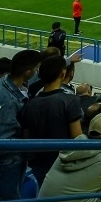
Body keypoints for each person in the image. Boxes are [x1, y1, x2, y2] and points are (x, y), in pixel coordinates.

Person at [0, 49, 44, 202]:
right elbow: (4, 136)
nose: (38, 71)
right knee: (9, 200)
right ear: (27, 72)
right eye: (37, 68)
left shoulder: (1, 84)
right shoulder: (10, 101)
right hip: (8, 157)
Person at [21, 54, 85, 186]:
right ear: (63, 73)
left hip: (39, 165)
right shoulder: (70, 101)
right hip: (62, 164)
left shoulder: (29, 104)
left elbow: (26, 138)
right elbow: (77, 139)